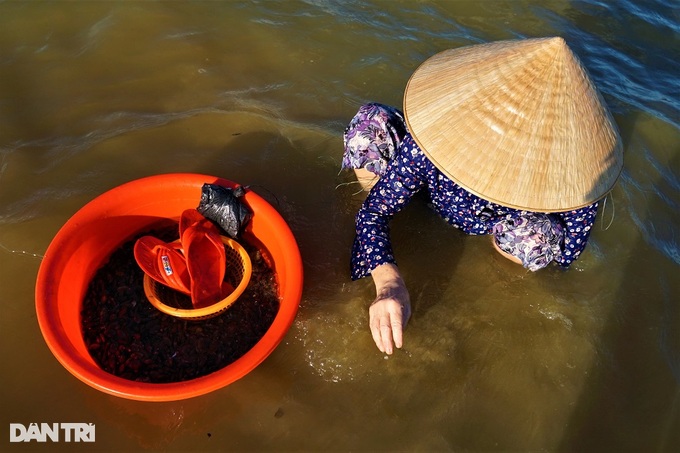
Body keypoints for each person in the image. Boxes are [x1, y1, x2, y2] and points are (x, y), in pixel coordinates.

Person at [342, 37, 623, 355]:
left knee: (539, 241)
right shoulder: (433, 142)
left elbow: (567, 254)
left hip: (497, 226)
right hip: (425, 191)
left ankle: (497, 263)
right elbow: (372, 212)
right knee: (370, 126)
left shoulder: (576, 173)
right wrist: (388, 283)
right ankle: (401, 206)